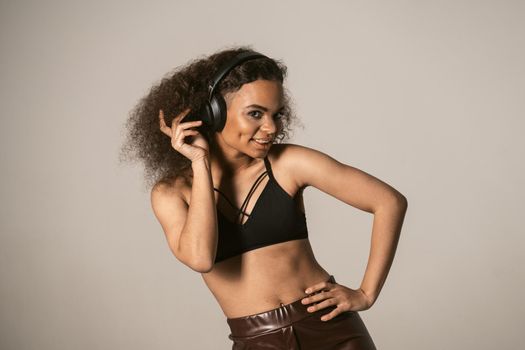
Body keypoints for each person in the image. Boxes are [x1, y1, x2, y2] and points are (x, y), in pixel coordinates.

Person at [121, 45, 408, 349]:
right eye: (255, 114)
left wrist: (365, 293)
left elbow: (389, 201)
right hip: (257, 341)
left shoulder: (289, 164)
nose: (271, 128)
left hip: (332, 331)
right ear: (214, 113)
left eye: (277, 114)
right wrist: (200, 164)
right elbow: (201, 258)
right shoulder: (172, 193)